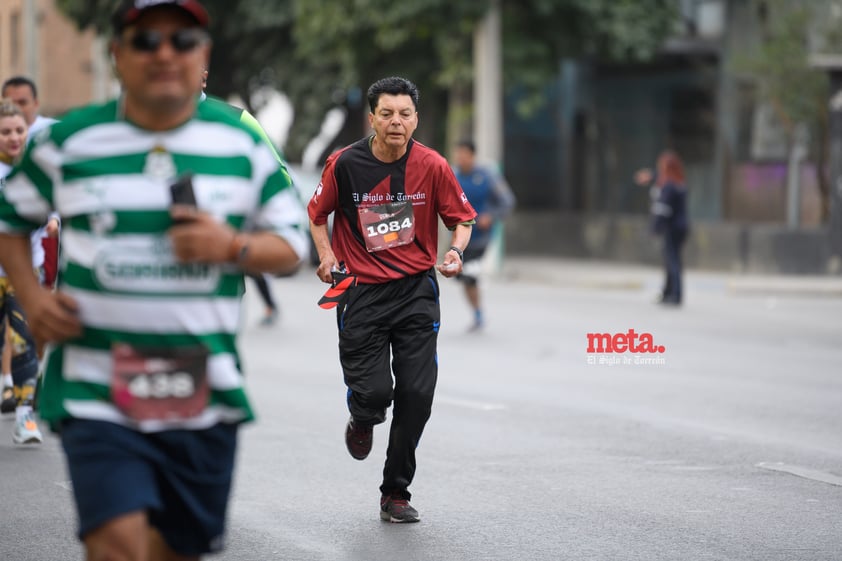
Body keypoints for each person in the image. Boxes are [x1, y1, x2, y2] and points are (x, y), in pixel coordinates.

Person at [0, 1, 308, 559]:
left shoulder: (238, 142)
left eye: (182, 40)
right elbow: (9, 218)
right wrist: (31, 298)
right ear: (117, 54)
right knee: (117, 544)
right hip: (96, 385)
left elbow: (291, 245)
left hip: (201, 390)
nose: (164, 53)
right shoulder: (70, 142)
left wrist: (230, 246)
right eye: (145, 41)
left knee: (172, 549)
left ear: (203, 55)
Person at [308, 76, 476, 523]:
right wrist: (326, 256)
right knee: (376, 392)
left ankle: (395, 492)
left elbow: (462, 219)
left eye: (405, 114)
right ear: (373, 118)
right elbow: (318, 214)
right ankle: (362, 416)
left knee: (418, 395)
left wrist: (455, 252)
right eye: (387, 114)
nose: (396, 122)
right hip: (361, 292)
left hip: (416, 292)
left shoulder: (433, 165)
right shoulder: (344, 164)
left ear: (416, 119)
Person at [0, 99, 44, 441]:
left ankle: (25, 416)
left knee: (23, 342)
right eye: (5, 132)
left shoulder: (36, 170)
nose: (13, 137)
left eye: (19, 130)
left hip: (23, 275)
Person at [452, 139, 516, 331]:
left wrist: (491, 216)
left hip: (481, 237)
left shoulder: (487, 176)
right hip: (459, 238)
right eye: (458, 154)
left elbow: (507, 201)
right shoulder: (452, 175)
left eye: (465, 154)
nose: (461, 158)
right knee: (462, 277)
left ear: (472, 156)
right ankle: (477, 310)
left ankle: (478, 313)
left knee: (469, 274)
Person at [635, 150, 690, 305]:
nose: (660, 169)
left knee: (672, 261)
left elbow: (662, 209)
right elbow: (659, 177)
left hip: (671, 228)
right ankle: (669, 292)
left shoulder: (669, 186)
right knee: (672, 261)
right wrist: (651, 176)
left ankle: (675, 294)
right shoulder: (679, 183)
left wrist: (654, 228)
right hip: (681, 227)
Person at [1, 76, 58, 141]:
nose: (16, 108)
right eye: (11, 103)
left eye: (22, 103)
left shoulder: (53, 130)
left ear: (36, 103)